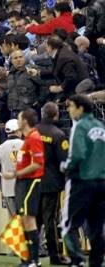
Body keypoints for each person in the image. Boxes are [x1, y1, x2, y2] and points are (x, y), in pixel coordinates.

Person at [60, 94, 105, 267]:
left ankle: (77, 260)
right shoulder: (101, 126)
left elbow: (77, 155)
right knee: (96, 226)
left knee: (68, 225)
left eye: (71, 106)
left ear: (80, 108)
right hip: (102, 182)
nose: (69, 110)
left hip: (83, 180)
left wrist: (65, 166)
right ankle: (96, 262)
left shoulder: (80, 127)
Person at [2, 109, 45, 267]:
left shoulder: (34, 137)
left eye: (19, 118)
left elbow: (37, 163)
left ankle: (33, 259)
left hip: (30, 182)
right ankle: (29, 259)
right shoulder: (28, 138)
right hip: (23, 182)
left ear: (25, 121)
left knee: (29, 220)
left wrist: (15, 173)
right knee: (24, 220)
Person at [35, 102, 70, 265]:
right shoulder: (58, 134)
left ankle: (29, 254)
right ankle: (54, 255)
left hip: (33, 181)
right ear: (56, 114)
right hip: (51, 182)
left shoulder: (32, 132)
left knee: (34, 220)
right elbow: (64, 162)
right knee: (50, 220)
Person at [6, 50, 48, 118]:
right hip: (14, 112)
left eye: (20, 57)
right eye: (15, 58)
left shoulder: (31, 70)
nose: (18, 59)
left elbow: (44, 86)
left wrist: (39, 101)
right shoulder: (9, 75)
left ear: (24, 58)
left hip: (30, 111)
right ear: (11, 61)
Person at [0, 119, 23, 216]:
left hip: (7, 189)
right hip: (24, 188)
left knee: (14, 219)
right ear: (18, 130)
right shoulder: (26, 145)